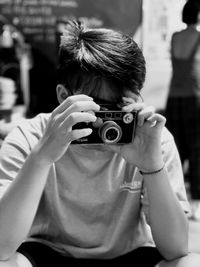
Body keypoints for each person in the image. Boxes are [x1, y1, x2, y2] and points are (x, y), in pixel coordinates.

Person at [0, 19, 200, 267]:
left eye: (120, 109)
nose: (108, 126)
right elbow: (1, 246)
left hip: (128, 255)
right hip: (49, 252)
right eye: (98, 110)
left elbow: (176, 249)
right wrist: (41, 158)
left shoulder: (149, 138)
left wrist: (152, 166)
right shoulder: (31, 137)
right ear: (64, 97)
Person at [165, 0, 200, 221]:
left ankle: (176, 201)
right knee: (197, 150)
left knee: (176, 148)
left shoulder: (175, 37)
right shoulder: (199, 37)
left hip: (173, 98)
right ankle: (196, 204)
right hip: (194, 97)